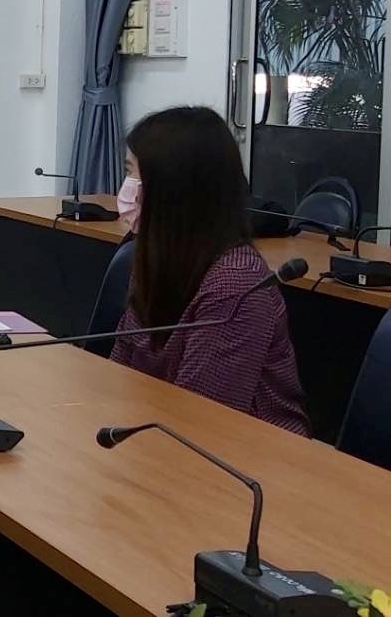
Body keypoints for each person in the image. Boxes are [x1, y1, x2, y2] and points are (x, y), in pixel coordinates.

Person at [108, 106, 311, 435]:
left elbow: (200, 418)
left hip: (249, 454)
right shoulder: (157, 259)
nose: (126, 188)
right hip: (160, 428)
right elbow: (121, 367)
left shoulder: (236, 283)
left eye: (133, 174)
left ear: (172, 188)